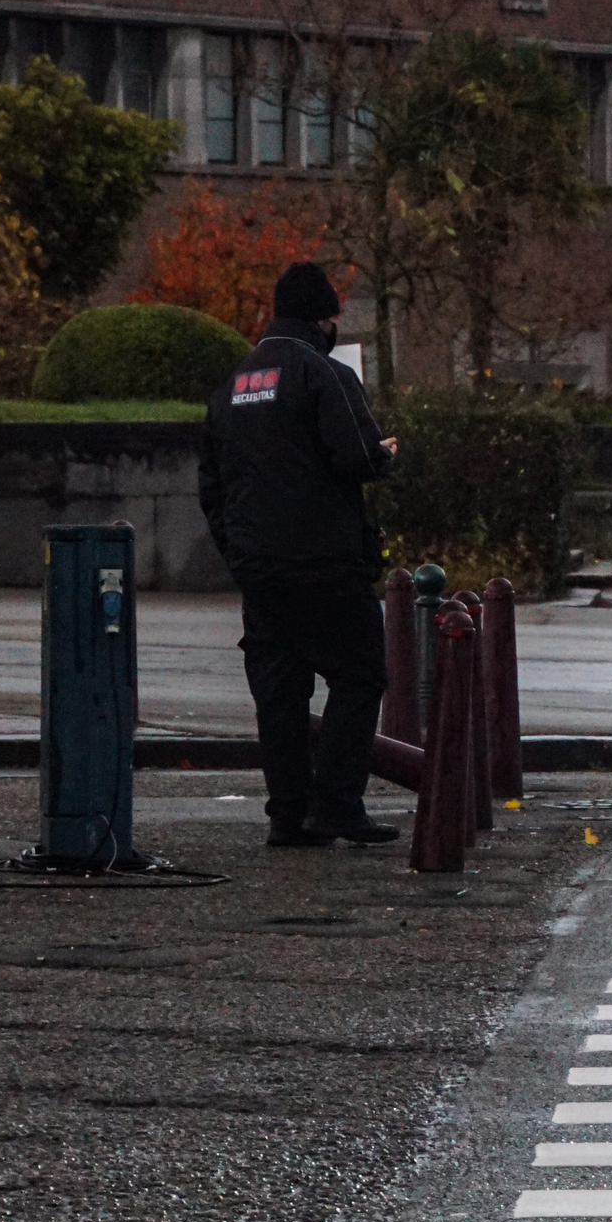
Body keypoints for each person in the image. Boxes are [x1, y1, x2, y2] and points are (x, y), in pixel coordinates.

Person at [199, 263, 401, 848]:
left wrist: (239, 551)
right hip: (325, 561)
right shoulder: (325, 373)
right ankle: (336, 804)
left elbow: (211, 484)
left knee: (280, 689)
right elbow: (356, 459)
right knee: (360, 674)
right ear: (323, 320)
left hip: (260, 567)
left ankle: (288, 814)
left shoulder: (232, 385)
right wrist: (382, 453)